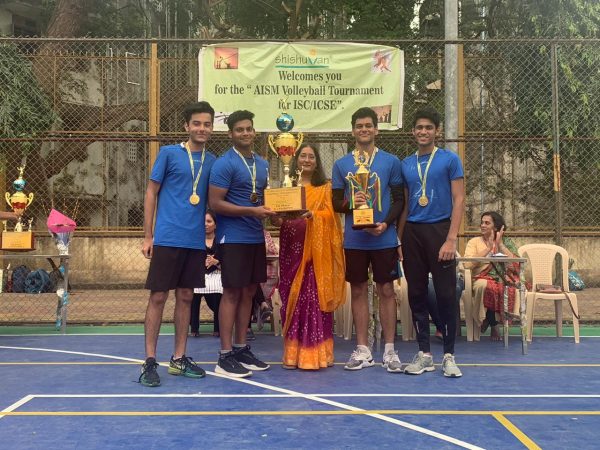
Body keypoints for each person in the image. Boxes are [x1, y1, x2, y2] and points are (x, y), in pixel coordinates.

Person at [139, 101, 217, 387]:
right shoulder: (169, 154)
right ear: (186, 126)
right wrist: (148, 236)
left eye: (207, 124)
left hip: (195, 242)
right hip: (168, 238)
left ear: (211, 127)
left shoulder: (213, 161)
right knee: (158, 296)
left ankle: (179, 358)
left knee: (185, 297)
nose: (202, 128)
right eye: (196, 123)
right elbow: (151, 193)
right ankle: (149, 361)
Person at [332, 107, 404, 373]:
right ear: (353, 130)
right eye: (359, 125)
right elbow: (336, 202)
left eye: (368, 125)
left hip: (383, 236)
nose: (364, 129)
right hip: (355, 238)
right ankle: (363, 349)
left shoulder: (390, 161)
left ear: (376, 129)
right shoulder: (342, 164)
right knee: (359, 290)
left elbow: (399, 199)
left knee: (386, 290)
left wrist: (386, 223)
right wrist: (352, 204)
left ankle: (389, 349)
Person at [398, 106, 465, 378]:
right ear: (413, 131)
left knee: (446, 294)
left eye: (428, 127)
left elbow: (459, 199)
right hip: (412, 232)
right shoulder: (406, 164)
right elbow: (404, 205)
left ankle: (448, 355)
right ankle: (424, 354)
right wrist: (398, 239)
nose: (423, 131)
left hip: (440, 231)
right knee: (415, 294)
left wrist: (451, 239)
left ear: (437, 131)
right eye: (419, 127)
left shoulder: (450, 160)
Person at [208, 109, 276, 378]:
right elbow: (215, 203)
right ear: (231, 134)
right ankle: (224, 356)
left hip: (254, 236)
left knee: (249, 292)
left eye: (249, 128)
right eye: (240, 129)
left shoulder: (262, 163)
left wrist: (283, 211)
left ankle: (240, 347)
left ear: (254, 131)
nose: (245, 133)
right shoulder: (224, 163)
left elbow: (264, 199)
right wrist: (253, 212)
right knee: (232, 293)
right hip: (232, 236)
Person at [272, 143, 346, 370]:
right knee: (291, 298)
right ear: (295, 160)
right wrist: (276, 217)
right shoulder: (288, 185)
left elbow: (331, 219)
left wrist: (314, 214)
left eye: (311, 157)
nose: (306, 160)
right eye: (302, 156)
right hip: (290, 249)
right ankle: (292, 355)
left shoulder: (324, 187)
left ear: (317, 162)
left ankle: (315, 356)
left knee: (312, 299)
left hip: (315, 254)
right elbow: (278, 220)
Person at [463, 211, 520, 341]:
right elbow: (467, 264)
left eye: (487, 223)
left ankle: (492, 322)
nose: (482, 225)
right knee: (485, 286)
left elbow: (516, 264)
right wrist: (488, 249)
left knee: (507, 288)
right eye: (482, 222)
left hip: (502, 278)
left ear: (496, 227)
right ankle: (493, 324)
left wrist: (499, 245)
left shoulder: (506, 242)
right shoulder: (474, 242)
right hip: (480, 277)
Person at [190, 210, 222, 338]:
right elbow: (191, 260)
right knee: (194, 292)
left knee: (218, 290)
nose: (205, 224)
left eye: (209, 221)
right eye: (203, 222)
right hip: (200, 273)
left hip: (217, 273)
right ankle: (194, 328)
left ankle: (217, 328)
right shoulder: (195, 240)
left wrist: (216, 262)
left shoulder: (220, 241)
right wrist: (200, 262)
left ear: (215, 224)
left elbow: (226, 260)